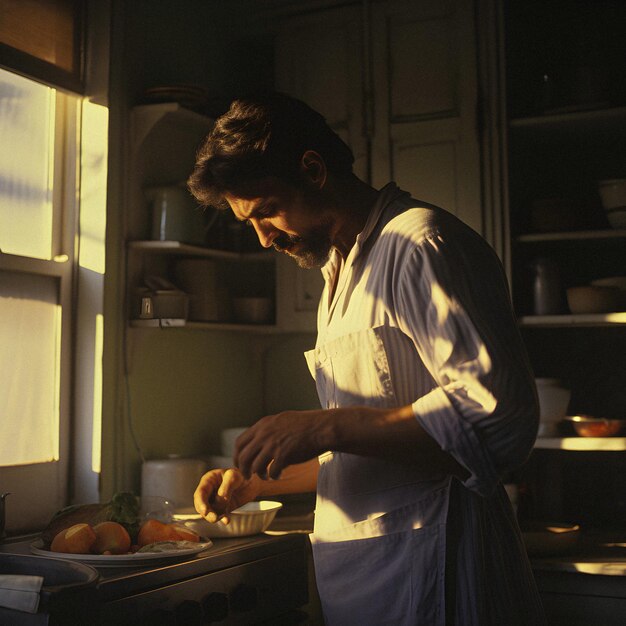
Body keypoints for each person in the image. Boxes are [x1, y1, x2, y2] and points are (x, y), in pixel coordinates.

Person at [188, 92, 546, 625]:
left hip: (439, 575)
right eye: (250, 223)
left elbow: (499, 419)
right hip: (370, 581)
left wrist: (329, 425)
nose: (263, 238)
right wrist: (262, 483)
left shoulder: (420, 244)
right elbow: (368, 453)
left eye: (266, 211)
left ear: (312, 169)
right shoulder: (341, 274)